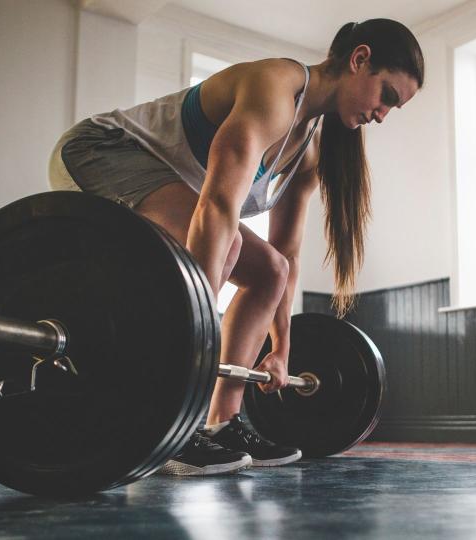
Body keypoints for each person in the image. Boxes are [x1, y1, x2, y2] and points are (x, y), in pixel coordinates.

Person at [48, 19, 424, 475]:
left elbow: (285, 255)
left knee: (269, 270)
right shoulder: (274, 88)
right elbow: (217, 209)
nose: (382, 115)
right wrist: (198, 333)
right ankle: (171, 424)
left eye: (393, 108)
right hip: (99, 151)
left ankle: (222, 422)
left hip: (167, 188)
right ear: (359, 59)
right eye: (386, 95)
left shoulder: (307, 151)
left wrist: (282, 347)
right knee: (220, 252)